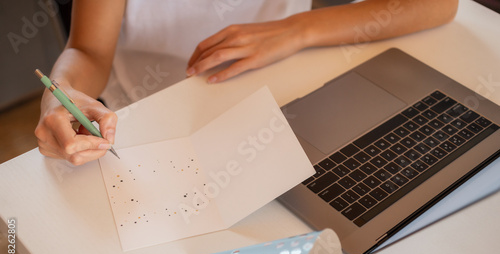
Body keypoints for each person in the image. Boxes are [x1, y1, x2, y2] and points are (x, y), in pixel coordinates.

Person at [35, 0, 458, 166]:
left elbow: (437, 5)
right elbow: (88, 51)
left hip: (286, 109)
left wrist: (298, 30)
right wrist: (62, 93)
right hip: (157, 128)